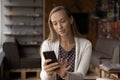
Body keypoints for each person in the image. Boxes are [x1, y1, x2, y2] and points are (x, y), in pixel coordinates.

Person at [40, 6, 92, 80]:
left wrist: (65, 75)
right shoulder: (47, 44)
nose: (59, 27)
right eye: (55, 23)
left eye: (63, 21)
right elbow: (43, 77)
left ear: (71, 20)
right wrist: (48, 74)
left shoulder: (86, 45)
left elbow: (81, 75)